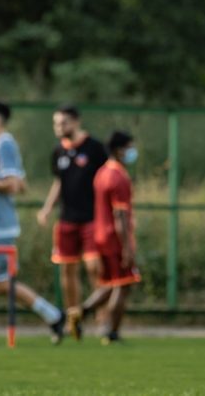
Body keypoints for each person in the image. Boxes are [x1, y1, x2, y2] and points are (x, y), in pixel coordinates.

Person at [0, 101, 65, 346]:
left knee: (1, 285)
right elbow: (23, 183)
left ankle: (53, 315)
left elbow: (15, 185)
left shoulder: (5, 144)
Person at [36, 105, 107, 339]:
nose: (59, 127)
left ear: (76, 122)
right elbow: (59, 182)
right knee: (67, 270)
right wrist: (47, 208)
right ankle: (73, 319)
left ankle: (101, 319)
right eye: (56, 123)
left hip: (92, 219)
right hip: (66, 220)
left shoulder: (95, 148)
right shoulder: (58, 151)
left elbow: (106, 179)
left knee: (95, 268)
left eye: (63, 123)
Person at [70, 130, 141, 345]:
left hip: (100, 234)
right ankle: (111, 332)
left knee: (110, 284)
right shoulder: (119, 177)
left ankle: (81, 312)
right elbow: (120, 215)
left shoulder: (102, 173)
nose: (132, 152)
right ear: (119, 150)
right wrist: (127, 247)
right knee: (124, 283)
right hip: (115, 238)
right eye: (129, 147)